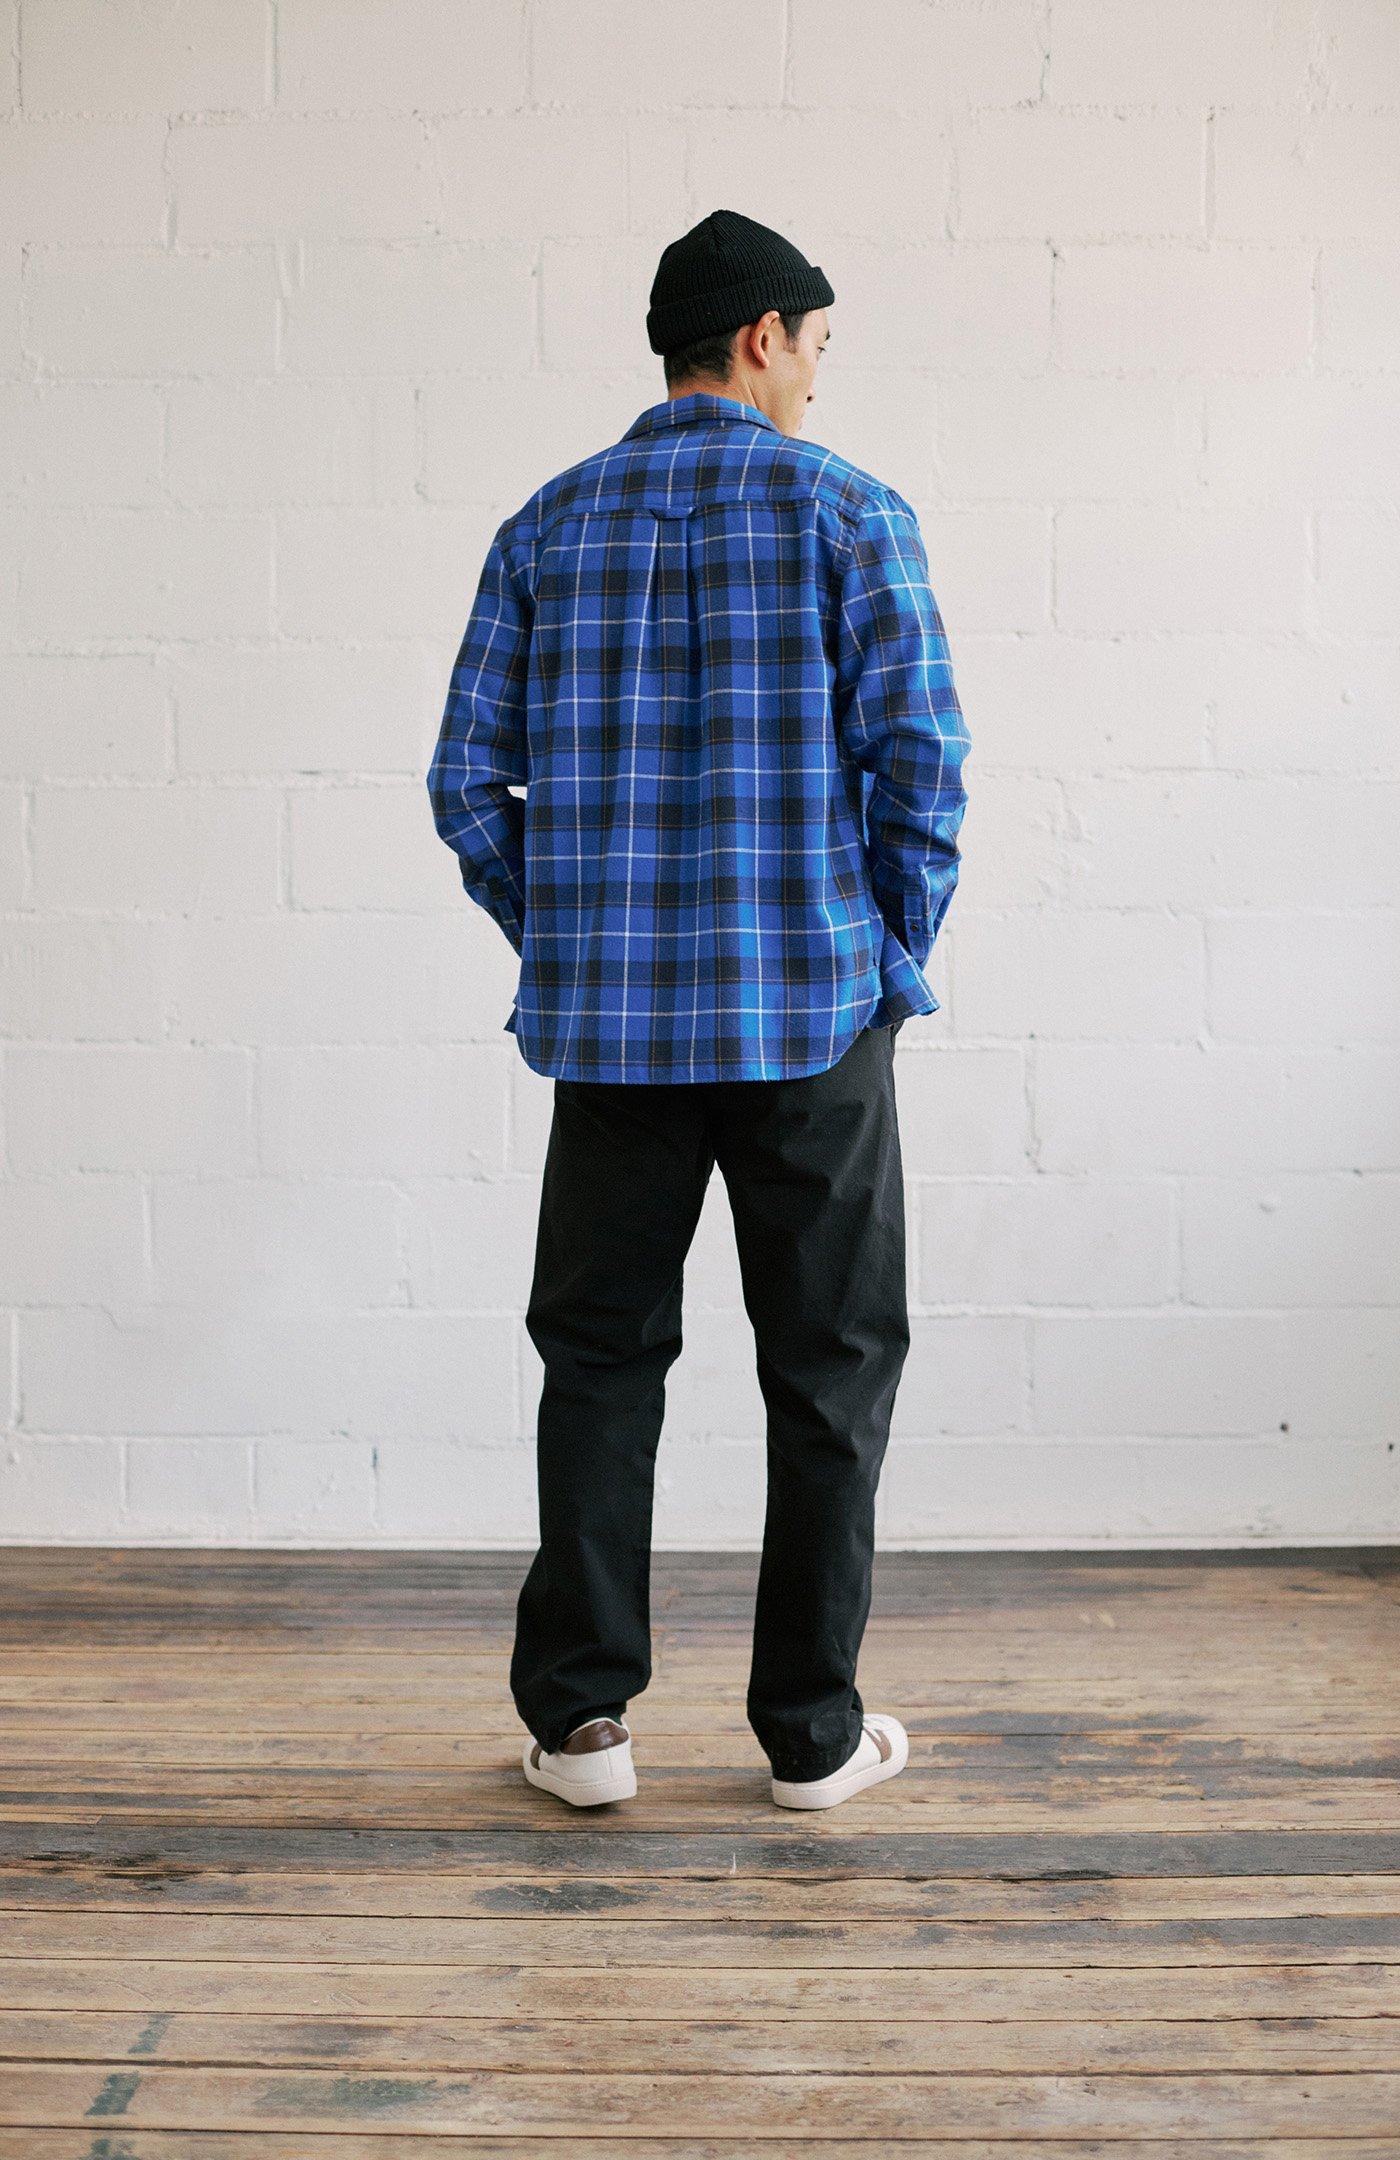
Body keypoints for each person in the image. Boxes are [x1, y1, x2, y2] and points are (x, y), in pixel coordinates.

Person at [428, 209, 970, 1812]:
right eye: (815, 345)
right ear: (760, 336)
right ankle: (811, 1736)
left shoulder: (546, 527)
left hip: (615, 1042)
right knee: (832, 1371)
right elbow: (925, 771)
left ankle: (582, 1728)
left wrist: (575, 940)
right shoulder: (852, 513)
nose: (816, 377)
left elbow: (467, 784)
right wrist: (879, 957)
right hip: (812, 1022)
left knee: (600, 1361)